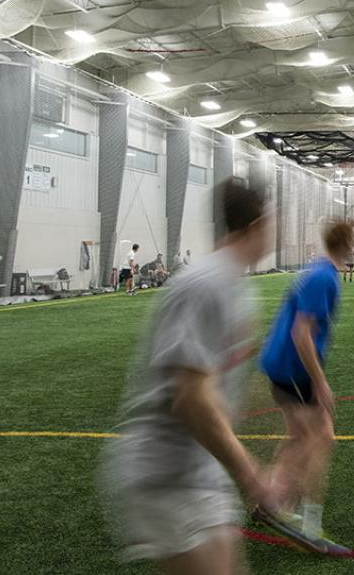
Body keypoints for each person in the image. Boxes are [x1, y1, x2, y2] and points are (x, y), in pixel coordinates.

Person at [99, 180, 274, 574]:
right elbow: (192, 399)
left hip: (201, 469)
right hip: (165, 474)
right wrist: (251, 472)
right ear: (256, 225)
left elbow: (221, 377)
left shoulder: (236, 287)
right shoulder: (203, 285)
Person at [254, 218, 354, 553]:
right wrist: (320, 381)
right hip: (293, 369)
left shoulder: (317, 269)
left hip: (279, 364)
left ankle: (270, 499)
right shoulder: (324, 277)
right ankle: (310, 527)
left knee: (300, 435)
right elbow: (302, 334)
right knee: (322, 438)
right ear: (347, 244)